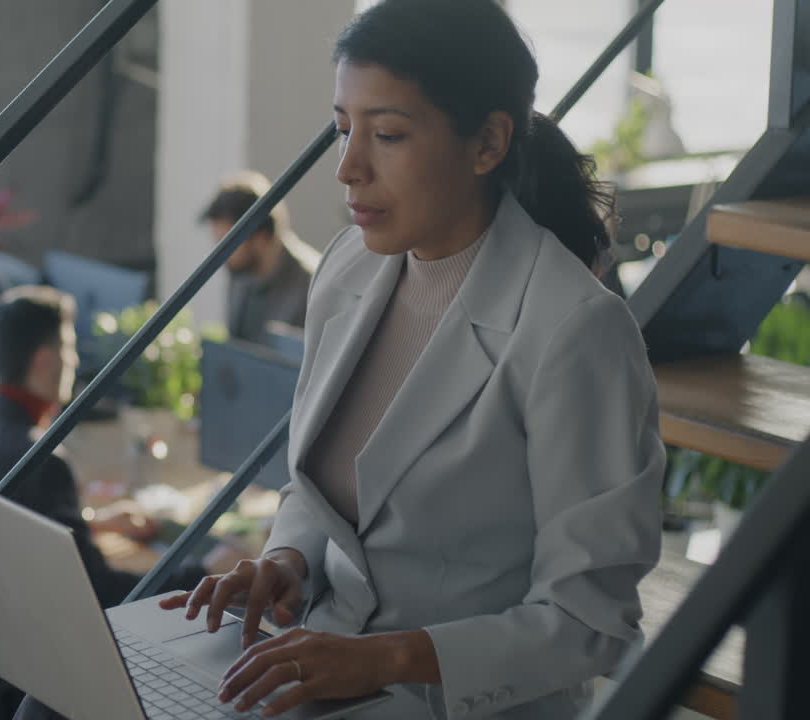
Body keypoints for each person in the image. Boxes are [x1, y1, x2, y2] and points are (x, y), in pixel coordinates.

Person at [154, 2, 665, 719]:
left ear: (487, 142)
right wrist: (287, 561)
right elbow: (318, 485)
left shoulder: (574, 331)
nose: (348, 168)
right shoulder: (346, 269)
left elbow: (588, 625)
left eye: (387, 134)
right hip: (315, 672)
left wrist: (384, 657)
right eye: (342, 129)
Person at [0, 285, 213, 609]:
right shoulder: (42, 462)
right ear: (42, 360)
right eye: (68, 347)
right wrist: (204, 574)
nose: (76, 359)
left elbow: (7, 526)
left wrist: (90, 522)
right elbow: (103, 592)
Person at [201, 171, 315, 344]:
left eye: (226, 245)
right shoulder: (242, 271)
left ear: (260, 239)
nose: (221, 256)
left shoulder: (312, 286)